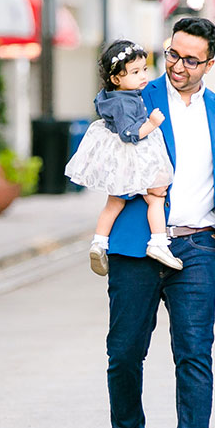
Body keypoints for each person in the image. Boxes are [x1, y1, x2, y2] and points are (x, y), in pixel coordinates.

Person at [101, 17, 215, 428]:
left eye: (189, 59)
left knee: (194, 356)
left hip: (197, 244)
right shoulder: (135, 97)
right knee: (124, 353)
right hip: (137, 245)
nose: (177, 66)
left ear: (209, 62)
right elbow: (107, 156)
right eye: (172, 54)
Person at [65, 40, 182, 274]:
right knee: (157, 195)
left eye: (144, 69)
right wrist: (152, 123)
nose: (142, 76)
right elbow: (131, 134)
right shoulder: (125, 102)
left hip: (119, 159)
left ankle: (99, 242)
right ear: (116, 79)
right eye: (135, 72)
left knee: (115, 202)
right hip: (133, 155)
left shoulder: (110, 96)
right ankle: (158, 242)